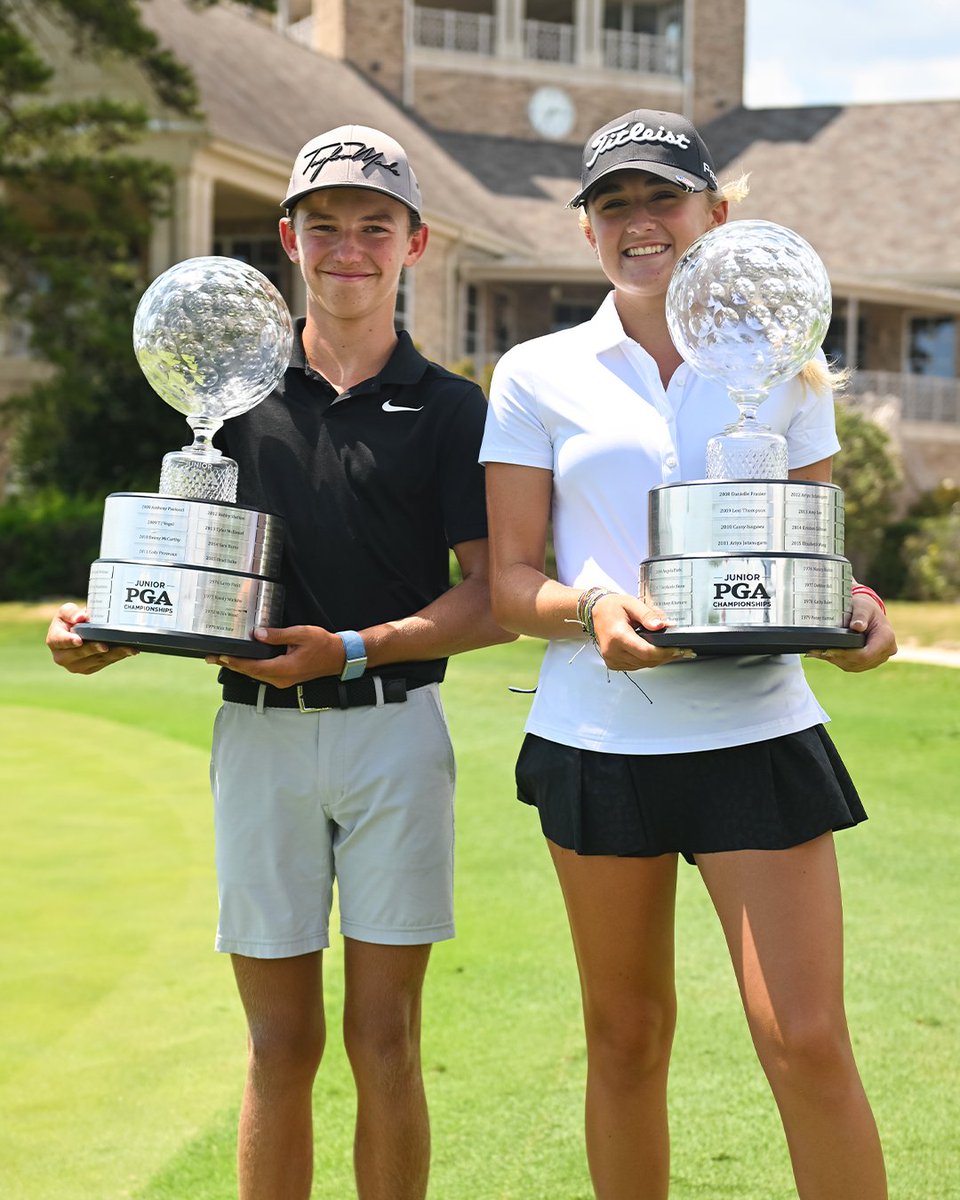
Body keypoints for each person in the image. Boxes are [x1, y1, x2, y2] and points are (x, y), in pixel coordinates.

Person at [47, 123, 512, 1200]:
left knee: (387, 1037)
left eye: (374, 227)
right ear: (288, 242)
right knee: (276, 1046)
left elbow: (490, 597)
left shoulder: (450, 409)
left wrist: (351, 650)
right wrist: (104, 634)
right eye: (324, 227)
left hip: (396, 732)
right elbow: (188, 585)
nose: (349, 247)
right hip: (256, 740)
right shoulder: (229, 403)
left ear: (416, 245)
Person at [479, 109, 897, 1200]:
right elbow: (510, 580)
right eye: (612, 204)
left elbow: (820, 560)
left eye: (661, 198)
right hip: (598, 737)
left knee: (805, 1039)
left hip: (756, 732)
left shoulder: (788, 363)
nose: (639, 222)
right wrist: (600, 605)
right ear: (588, 234)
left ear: (715, 214)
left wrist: (859, 613)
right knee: (625, 1042)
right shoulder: (536, 372)